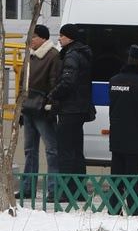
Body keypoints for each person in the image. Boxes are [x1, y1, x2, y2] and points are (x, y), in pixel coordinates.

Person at [108, 45, 138, 215]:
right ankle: (136, 209)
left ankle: (113, 208)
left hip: (117, 136)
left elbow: (112, 108)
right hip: (136, 137)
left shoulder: (114, 80)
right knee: (134, 176)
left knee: (116, 175)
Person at [48, 23, 94, 200]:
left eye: (61, 35)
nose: (59, 39)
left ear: (70, 37)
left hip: (69, 109)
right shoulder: (82, 53)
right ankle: (78, 190)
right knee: (76, 151)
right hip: (80, 109)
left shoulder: (71, 55)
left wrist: (52, 95)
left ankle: (66, 192)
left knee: (65, 151)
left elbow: (68, 82)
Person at [19, 24, 60, 200]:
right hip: (28, 108)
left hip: (42, 108)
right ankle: (28, 187)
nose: (30, 40)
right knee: (29, 150)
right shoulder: (30, 56)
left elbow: (54, 83)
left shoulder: (52, 56)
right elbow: (22, 83)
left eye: (33, 37)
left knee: (51, 150)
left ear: (43, 38)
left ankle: (53, 189)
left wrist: (50, 105)